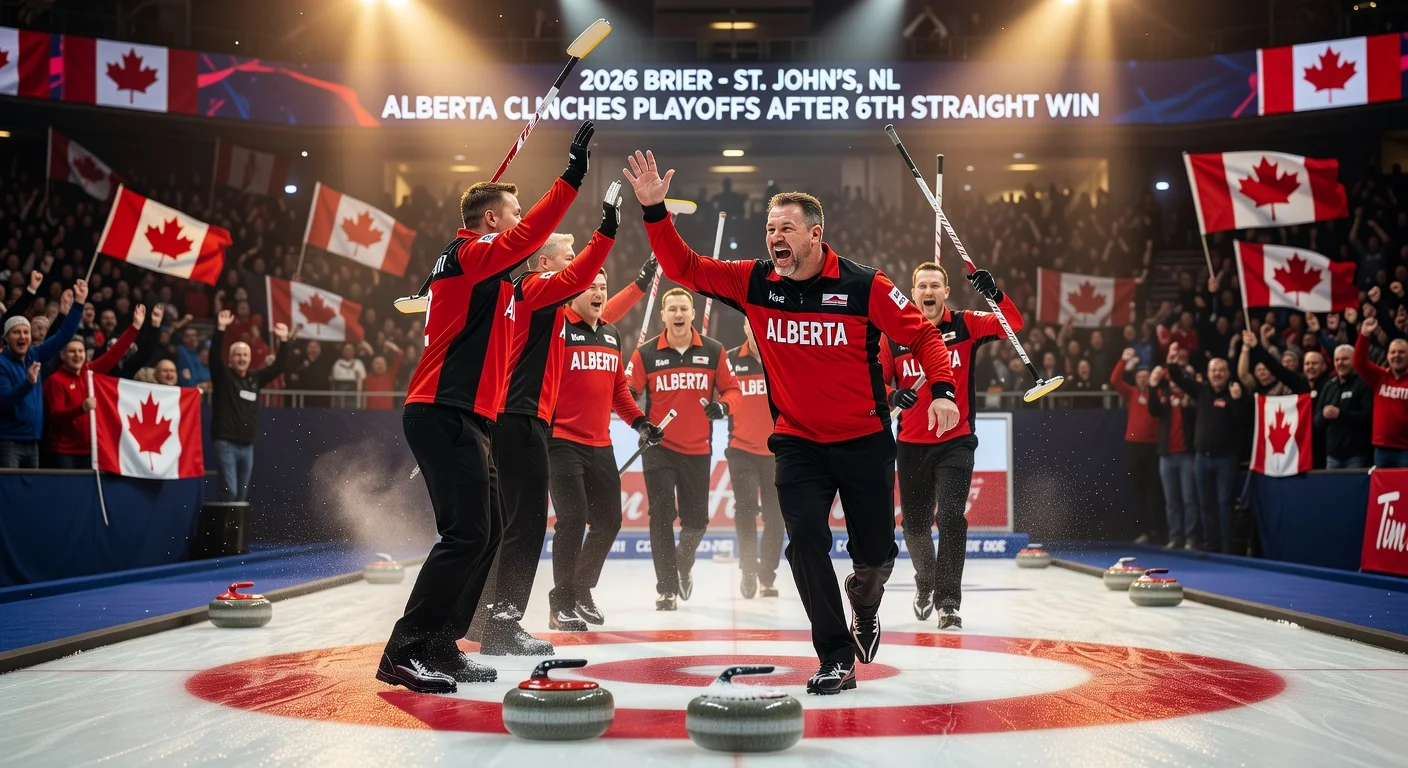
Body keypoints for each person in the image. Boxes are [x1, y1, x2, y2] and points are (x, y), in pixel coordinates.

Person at [625, 150, 959, 695]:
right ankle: (833, 655)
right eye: (769, 228)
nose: (774, 236)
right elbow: (684, 267)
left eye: (786, 228)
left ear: (815, 234)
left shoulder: (863, 285)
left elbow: (922, 334)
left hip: (864, 441)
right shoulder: (755, 281)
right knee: (803, 542)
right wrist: (655, 212)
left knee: (874, 555)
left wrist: (942, 389)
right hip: (798, 444)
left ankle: (866, 600)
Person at [380, 120, 592, 695]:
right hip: (442, 409)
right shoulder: (471, 255)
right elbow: (525, 241)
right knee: (465, 535)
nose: (524, 223)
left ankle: (442, 644)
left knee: (489, 530)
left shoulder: (492, 275)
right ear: (492, 221)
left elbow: (534, 260)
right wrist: (571, 176)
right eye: (515, 212)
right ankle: (405, 649)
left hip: (471, 417)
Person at [475, 186, 622, 656]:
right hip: (520, 418)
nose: (577, 261)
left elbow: (598, 312)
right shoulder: (536, 289)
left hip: (515, 417)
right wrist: (609, 226)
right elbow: (582, 278)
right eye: (568, 254)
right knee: (526, 524)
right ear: (544, 264)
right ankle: (502, 624)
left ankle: (484, 617)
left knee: (509, 522)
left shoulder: (539, 299)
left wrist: (635, 283)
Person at [881, 261, 1022, 630]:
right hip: (911, 444)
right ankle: (925, 581)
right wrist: (894, 394)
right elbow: (875, 384)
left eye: (935, 285)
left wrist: (994, 293)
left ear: (946, 292)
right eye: (922, 285)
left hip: (956, 440)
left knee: (951, 519)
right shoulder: (894, 333)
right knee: (914, 528)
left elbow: (1014, 324)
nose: (928, 291)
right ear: (912, 293)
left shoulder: (965, 324)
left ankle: (948, 603)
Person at [547, 269, 663, 630]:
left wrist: (641, 422)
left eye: (603, 287)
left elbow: (618, 392)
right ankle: (560, 603)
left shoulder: (610, 335)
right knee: (571, 518)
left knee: (610, 519)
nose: (598, 292)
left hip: (600, 444)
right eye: (591, 286)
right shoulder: (557, 327)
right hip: (561, 441)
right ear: (573, 293)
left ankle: (581, 589)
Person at [626, 287, 742, 611]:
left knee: (697, 522)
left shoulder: (714, 351)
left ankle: (682, 563)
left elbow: (733, 390)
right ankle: (666, 589)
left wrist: (724, 408)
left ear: (693, 315)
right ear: (662, 315)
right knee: (660, 515)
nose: (678, 314)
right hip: (658, 447)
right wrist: (633, 410)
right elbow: (627, 392)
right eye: (672, 309)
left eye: (683, 309)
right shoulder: (646, 353)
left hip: (697, 449)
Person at [1165, 344, 1250, 553]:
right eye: (1213, 370)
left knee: (1223, 504)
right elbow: (1179, 379)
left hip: (1226, 459)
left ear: (1228, 373)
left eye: (1221, 370)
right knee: (1205, 505)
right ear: (1208, 373)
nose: (1217, 374)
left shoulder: (1235, 392)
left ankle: (1226, 548)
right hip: (1202, 458)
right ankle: (1210, 546)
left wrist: (1238, 401)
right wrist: (1171, 361)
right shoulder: (1201, 391)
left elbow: (1244, 422)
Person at [723, 318, 784, 599]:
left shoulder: (784, 357)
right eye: (751, 323)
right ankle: (748, 567)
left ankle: (767, 575)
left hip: (778, 451)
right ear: (746, 327)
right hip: (741, 450)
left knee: (776, 517)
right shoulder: (730, 359)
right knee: (745, 508)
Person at [42, 304, 144, 468]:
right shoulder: (56, 380)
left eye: (80, 351)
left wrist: (135, 328)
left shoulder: (88, 371)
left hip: (90, 450)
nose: (77, 355)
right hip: (63, 452)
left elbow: (114, 354)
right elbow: (55, 415)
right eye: (72, 351)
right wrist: (81, 408)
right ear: (62, 355)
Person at [0, 280, 86, 468]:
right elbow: (4, 401)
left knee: (31, 495)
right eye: (16, 333)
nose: (22, 336)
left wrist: (79, 303)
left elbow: (63, 336)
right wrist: (28, 383)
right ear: (6, 339)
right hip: (8, 442)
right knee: (10, 493)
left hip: (34, 441)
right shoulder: (1, 364)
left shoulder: (34, 354)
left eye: (25, 332)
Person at [209, 309, 290, 501]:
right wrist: (220, 328)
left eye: (245, 355)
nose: (242, 359)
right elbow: (213, 357)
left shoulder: (255, 378)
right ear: (230, 359)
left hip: (247, 445)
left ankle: (236, 531)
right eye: (237, 355)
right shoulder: (224, 376)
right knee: (230, 491)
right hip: (225, 442)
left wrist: (285, 341)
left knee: (242, 495)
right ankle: (224, 530)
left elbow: (278, 367)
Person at [1242, 329, 1326, 467]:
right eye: (1307, 364)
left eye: (1314, 364)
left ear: (1323, 367)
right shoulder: (1301, 383)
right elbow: (1278, 370)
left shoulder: (1329, 385)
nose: (1310, 367)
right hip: (1300, 447)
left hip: (1324, 446)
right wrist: (1257, 347)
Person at [1110, 348, 1163, 543]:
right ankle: (1143, 531)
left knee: (1154, 490)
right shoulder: (1131, 393)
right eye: (1139, 376)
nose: (1142, 379)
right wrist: (1123, 361)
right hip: (1133, 446)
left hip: (1153, 447)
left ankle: (1157, 530)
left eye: (1145, 376)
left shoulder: (1156, 394)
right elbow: (1115, 380)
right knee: (1138, 489)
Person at [1146, 365, 1199, 549]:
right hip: (1167, 456)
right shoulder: (1164, 395)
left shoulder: (1191, 396)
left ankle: (1191, 539)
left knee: (1189, 499)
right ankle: (1175, 537)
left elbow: (1199, 415)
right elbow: (1152, 410)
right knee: (1171, 500)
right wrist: (1152, 387)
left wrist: (1188, 406)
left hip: (1186, 455)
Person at [1353, 316, 1408, 467]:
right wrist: (1364, 335)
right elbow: (1359, 363)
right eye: (1393, 352)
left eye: (1402, 352)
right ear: (1388, 356)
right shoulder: (1380, 377)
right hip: (1381, 449)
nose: (1397, 355)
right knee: (1383, 490)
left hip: (1405, 450)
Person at [1316, 344, 1373, 469]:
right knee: (1331, 489)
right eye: (1337, 360)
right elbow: (1317, 420)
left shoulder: (1364, 383)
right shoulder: (1328, 386)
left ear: (1355, 360)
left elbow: (1369, 416)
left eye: (1345, 359)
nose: (1340, 363)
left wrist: (1340, 414)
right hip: (1332, 456)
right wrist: (1324, 415)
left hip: (1357, 456)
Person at [362, 341, 404, 410]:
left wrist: (390, 345)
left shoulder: (390, 376)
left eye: (382, 363)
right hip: (370, 414)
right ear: (372, 366)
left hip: (387, 413)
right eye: (377, 363)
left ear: (386, 366)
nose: (380, 366)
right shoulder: (367, 377)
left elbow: (400, 355)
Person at [330, 341, 366, 408]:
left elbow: (363, 379)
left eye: (351, 350)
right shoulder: (338, 363)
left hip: (355, 394)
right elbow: (334, 379)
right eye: (346, 350)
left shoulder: (359, 363)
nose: (348, 352)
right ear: (343, 351)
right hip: (340, 393)